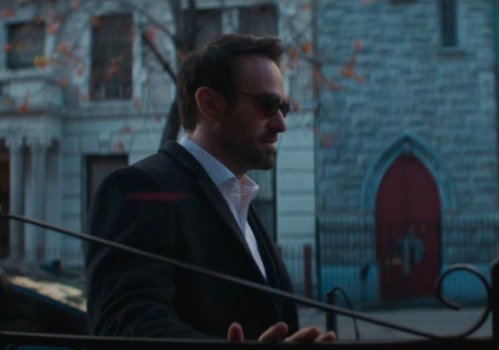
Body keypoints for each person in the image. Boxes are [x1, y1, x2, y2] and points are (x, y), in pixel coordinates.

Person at [84, 34, 335, 343]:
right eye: (268, 105)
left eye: (284, 108)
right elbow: (123, 325)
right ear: (211, 105)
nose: (280, 124)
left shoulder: (240, 201)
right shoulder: (136, 188)